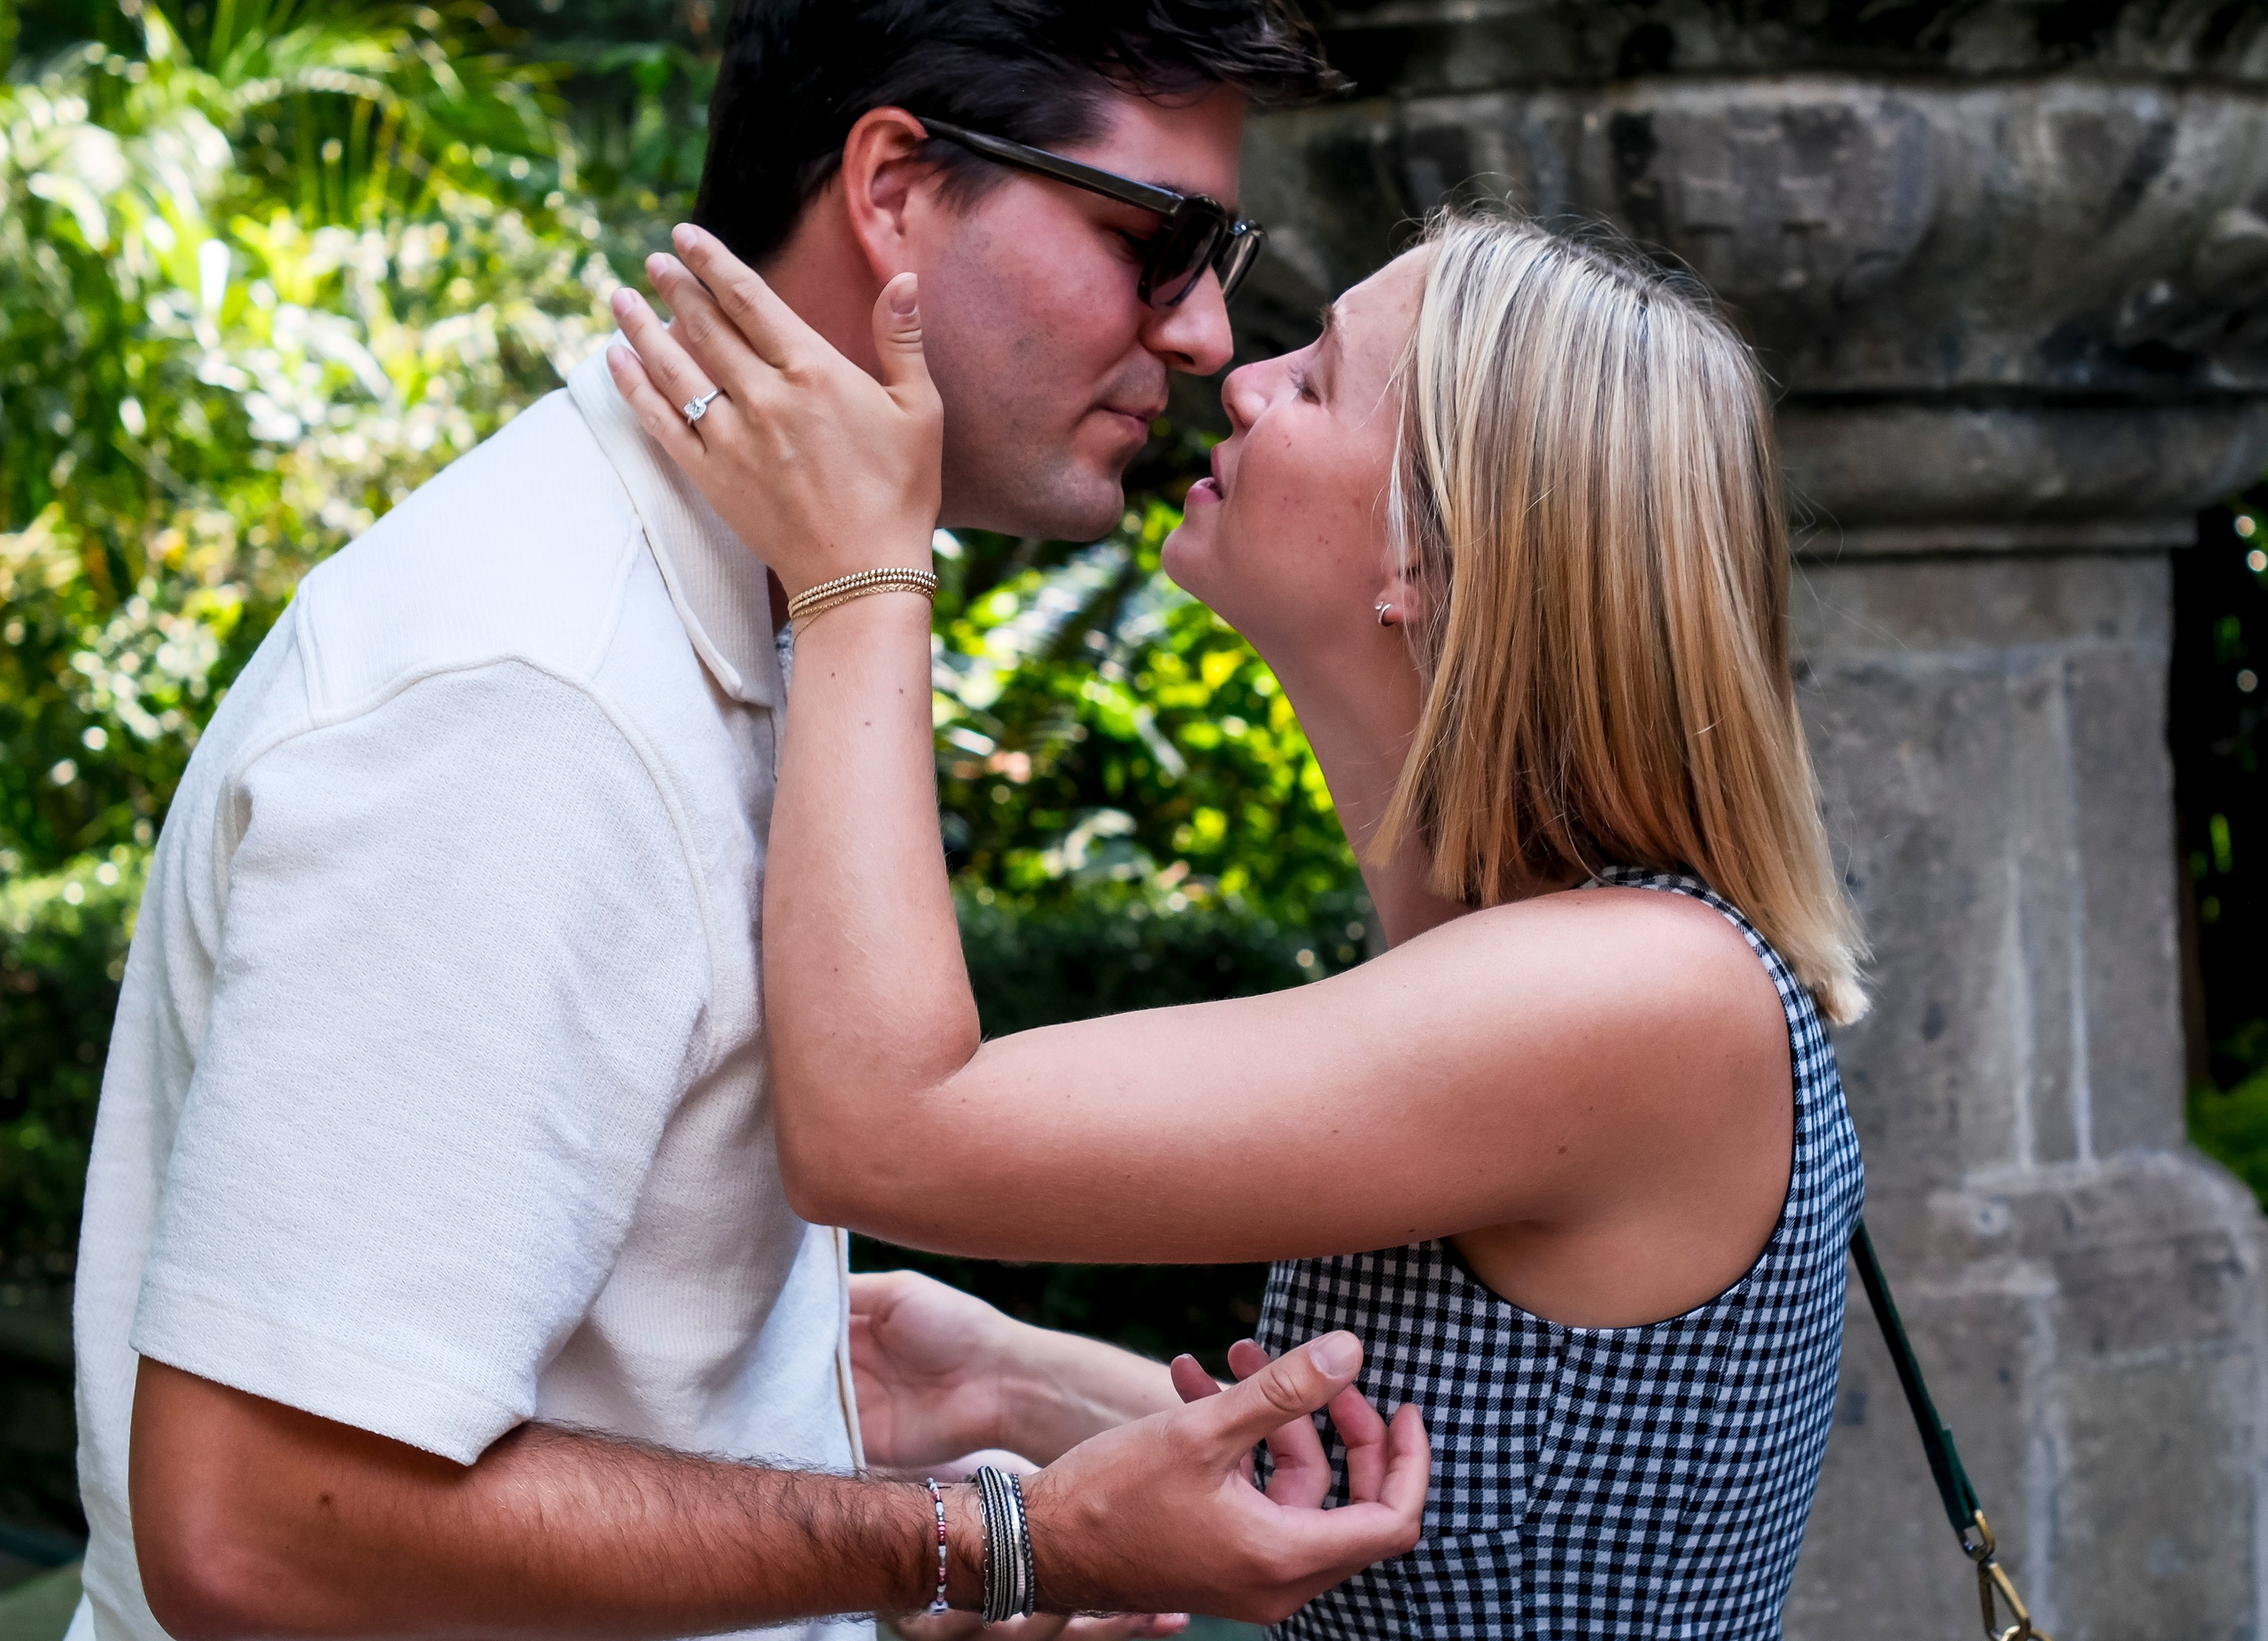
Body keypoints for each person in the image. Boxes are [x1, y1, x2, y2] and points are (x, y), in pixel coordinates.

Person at [73, 4, 1430, 1640]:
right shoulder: (538, 693)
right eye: (1155, 240)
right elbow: (254, 1523)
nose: (1210, 332)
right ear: (895, 191)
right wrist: (992, 1544)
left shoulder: (780, 599)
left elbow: (594, 1380)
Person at [606, 202, 1872, 1637]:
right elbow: (1533, 1481)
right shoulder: (1578, 966)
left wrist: (862, 570)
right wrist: (1025, 1383)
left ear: (1425, 556)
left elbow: (881, 1131)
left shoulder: (1632, 994)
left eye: (1317, 379)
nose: (1243, 380)